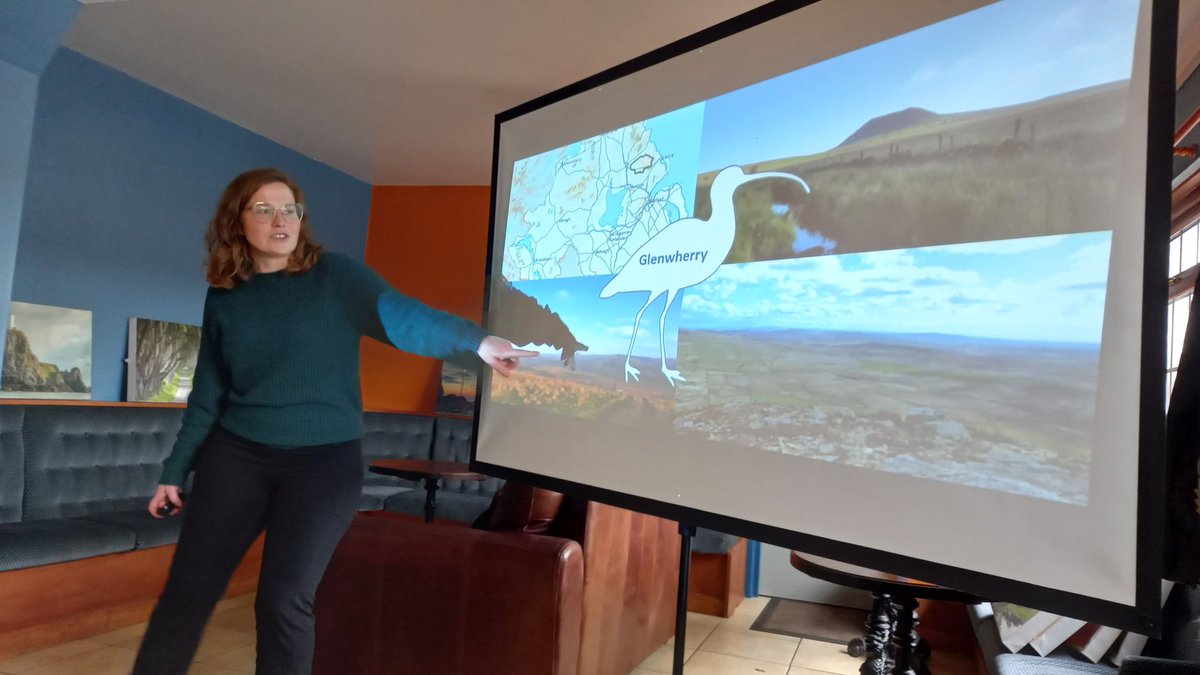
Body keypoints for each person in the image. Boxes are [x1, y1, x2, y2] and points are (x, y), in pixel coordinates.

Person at [132, 167, 535, 675]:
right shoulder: (226, 295)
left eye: (290, 209)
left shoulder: (336, 277)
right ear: (238, 221)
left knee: (282, 603)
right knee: (185, 596)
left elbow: (404, 316)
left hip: (322, 466)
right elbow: (208, 394)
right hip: (236, 457)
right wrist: (174, 472)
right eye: (264, 209)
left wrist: (476, 341)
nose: (281, 219)